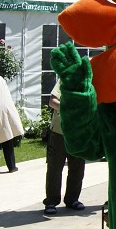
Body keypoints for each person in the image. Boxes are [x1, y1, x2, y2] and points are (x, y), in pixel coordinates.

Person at [43, 80, 86, 215]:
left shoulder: (89, 83)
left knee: (77, 167)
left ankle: (72, 199)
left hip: (79, 133)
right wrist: (71, 110)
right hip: (59, 132)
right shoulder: (65, 80)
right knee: (55, 168)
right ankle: (51, 201)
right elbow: (52, 101)